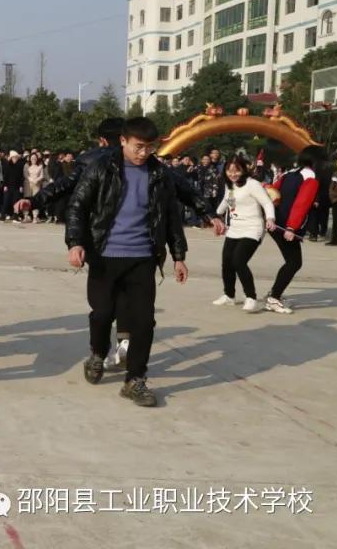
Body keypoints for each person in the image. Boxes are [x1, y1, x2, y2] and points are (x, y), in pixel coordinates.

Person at [66, 117, 188, 408]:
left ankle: (135, 380)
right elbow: (78, 206)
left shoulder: (160, 175)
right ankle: (97, 353)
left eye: (149, 147)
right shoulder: (102, 168)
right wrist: (75, 242)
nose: (143, 153)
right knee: (102, 313)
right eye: (138, 146)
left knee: (144, 321)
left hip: (142, 258)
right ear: (122, 141)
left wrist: (179, 256)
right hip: (105, 255)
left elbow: (171, 217)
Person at [212, 156, 276, 314]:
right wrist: (214, 215)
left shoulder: (252, 184)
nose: (232, 174)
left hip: (252, 228)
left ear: (243, 169)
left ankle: (251, 297)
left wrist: (270, 218)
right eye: (229, 170)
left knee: (238, 261)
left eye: (236, 170)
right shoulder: (230, 185)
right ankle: (229, 295)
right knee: (226, 262)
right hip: (234, 228)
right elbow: (227, 202)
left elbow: (266, 202)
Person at [264, 147, 322, 314]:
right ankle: (273, 297)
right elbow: (301, 204)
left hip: (275, 223)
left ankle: (274, 294)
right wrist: (292, 227)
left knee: (292, 261)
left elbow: (272, 191)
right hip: (287, 227)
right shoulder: (310, 177)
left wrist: (269, 216)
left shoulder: (289, 173)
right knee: (294, 262)